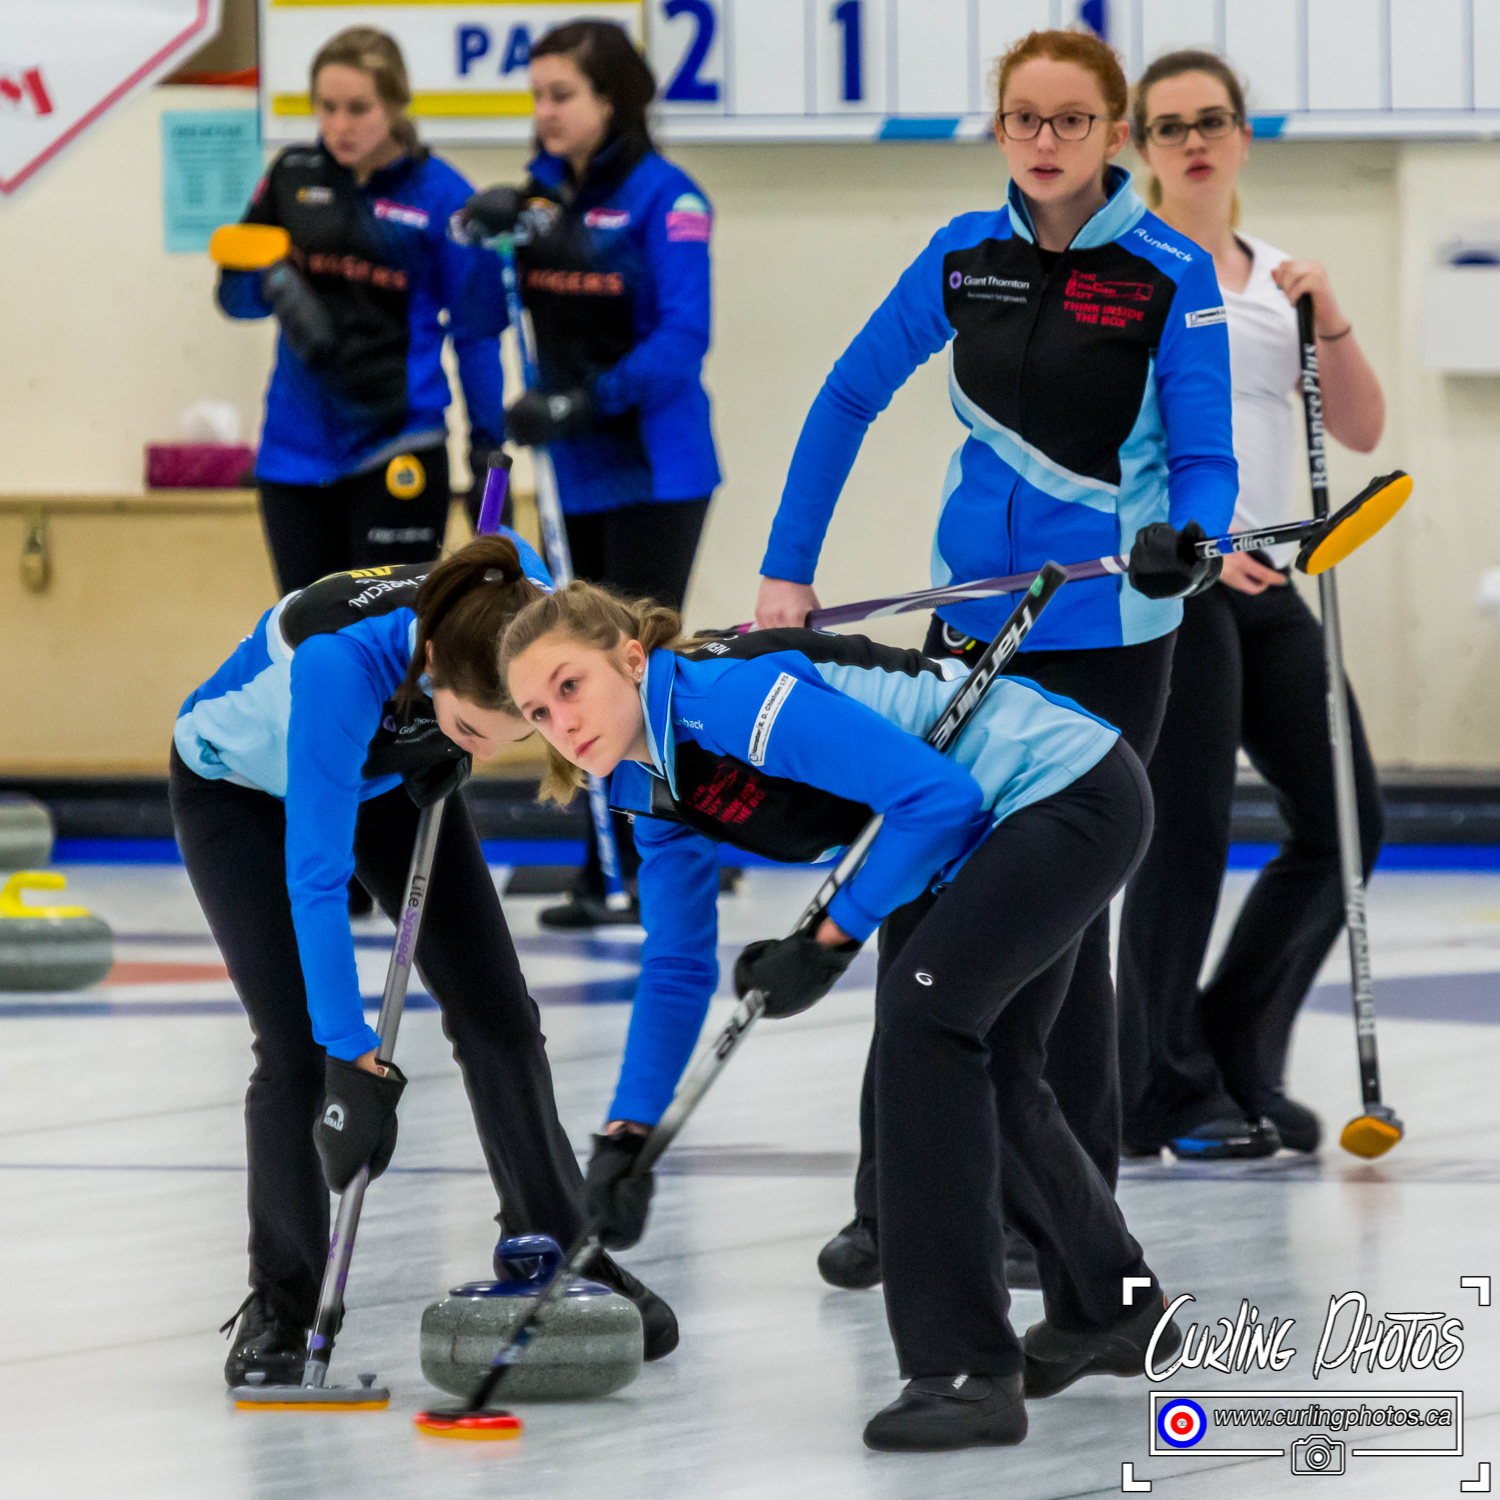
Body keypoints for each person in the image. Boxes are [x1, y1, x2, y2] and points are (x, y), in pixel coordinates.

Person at [753, 27, 1239, 1283]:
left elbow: (1205, 461)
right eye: (1024, 117)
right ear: (999, 127)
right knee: (916, 888)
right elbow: (846, 397)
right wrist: (786, 569)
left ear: (1115, 134)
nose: (1045, 140)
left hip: (1106, 643)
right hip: (970, 631)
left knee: (1055, 928)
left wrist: (1191, 542)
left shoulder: (1171, 274)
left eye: (1072, 120)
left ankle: (1056, 1217)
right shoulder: (961, 258)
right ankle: (894, 1203)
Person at [499, 579, 1182, 1453]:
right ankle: (1115, 1306)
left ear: (631, 659)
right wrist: (627, 1134)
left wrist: (827, 941)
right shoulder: (647, 784)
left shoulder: (727, 699)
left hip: (1062, 791)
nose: (563, 722)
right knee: (992, 1067)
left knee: (923, 1024)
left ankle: (965, 1371)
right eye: (539, 713)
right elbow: (674, 967)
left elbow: (936, 797)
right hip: (992, 828)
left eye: (570, 686)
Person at [170, 534, 676, 1388]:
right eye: (475, 731)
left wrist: (451, 746)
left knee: (498, 1012)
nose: (489, 753)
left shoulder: (527, 608)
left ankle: (557, 1247)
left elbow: (530, 570)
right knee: (297, 1048)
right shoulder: (338, 668)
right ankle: (281, 1305)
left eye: (515, 729)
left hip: (390, 771)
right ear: (433, 660)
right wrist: (349, 1050)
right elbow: (317, 879)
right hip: (244, 794)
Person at [1116, 51, 1386, 1158]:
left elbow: (1360, 429)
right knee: (1187, 834)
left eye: (1212, 120)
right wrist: (1197, 539)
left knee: (1348, 821)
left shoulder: (1280, 278)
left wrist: (1331, 316)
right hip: (1179, 586)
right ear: (1141, 145)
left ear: (1241, 134)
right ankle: (1159, 1089)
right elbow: (1106, 444)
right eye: (1170, 125)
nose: (1194, 141)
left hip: (1270, 583)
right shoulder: (1126, 269)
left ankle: (1232, 1056)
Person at [458, 20, 721, 929]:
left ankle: (665, 860)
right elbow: (483, 318)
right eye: (536, 95)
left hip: (655, 467)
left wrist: (586, 400)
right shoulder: (535, 205)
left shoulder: (668, 199)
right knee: (571, 669)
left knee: (638, 669)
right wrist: (485, 243)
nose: (545, 112)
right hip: (572, 473)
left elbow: (684, 337)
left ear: (612, 100)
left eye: (562, 94)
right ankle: (600, 856)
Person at [217, 26, 505, 598]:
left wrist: (489, 459)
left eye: (358, 108)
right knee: (309, 639)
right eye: (326, 107)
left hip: (398, 444)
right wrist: (274, 281)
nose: (339, 126)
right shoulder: (292, 175)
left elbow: (476, 335)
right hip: (292, 455)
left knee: (389, 639)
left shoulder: (441, 195)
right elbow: (234, 300)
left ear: (395, 106)